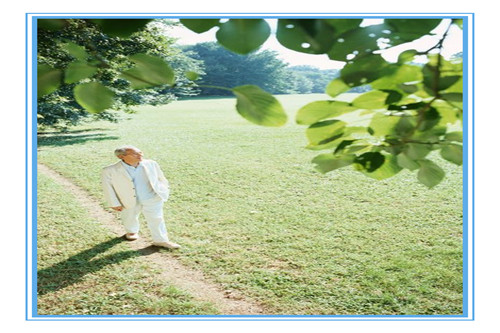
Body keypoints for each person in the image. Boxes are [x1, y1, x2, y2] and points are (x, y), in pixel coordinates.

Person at [101, 145, 180, 249]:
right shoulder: (110, 170)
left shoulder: (151, 164)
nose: (140, 155)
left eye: (140, 152)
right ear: (121, 156)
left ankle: (161, 240)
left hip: (152, 197)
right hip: (126, 200)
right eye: (134, 154)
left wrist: (163, 189)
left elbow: (161, 178)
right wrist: (114, 203)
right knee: (129, 217)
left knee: (157, 218)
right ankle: (131, 231)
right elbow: (108, 188)